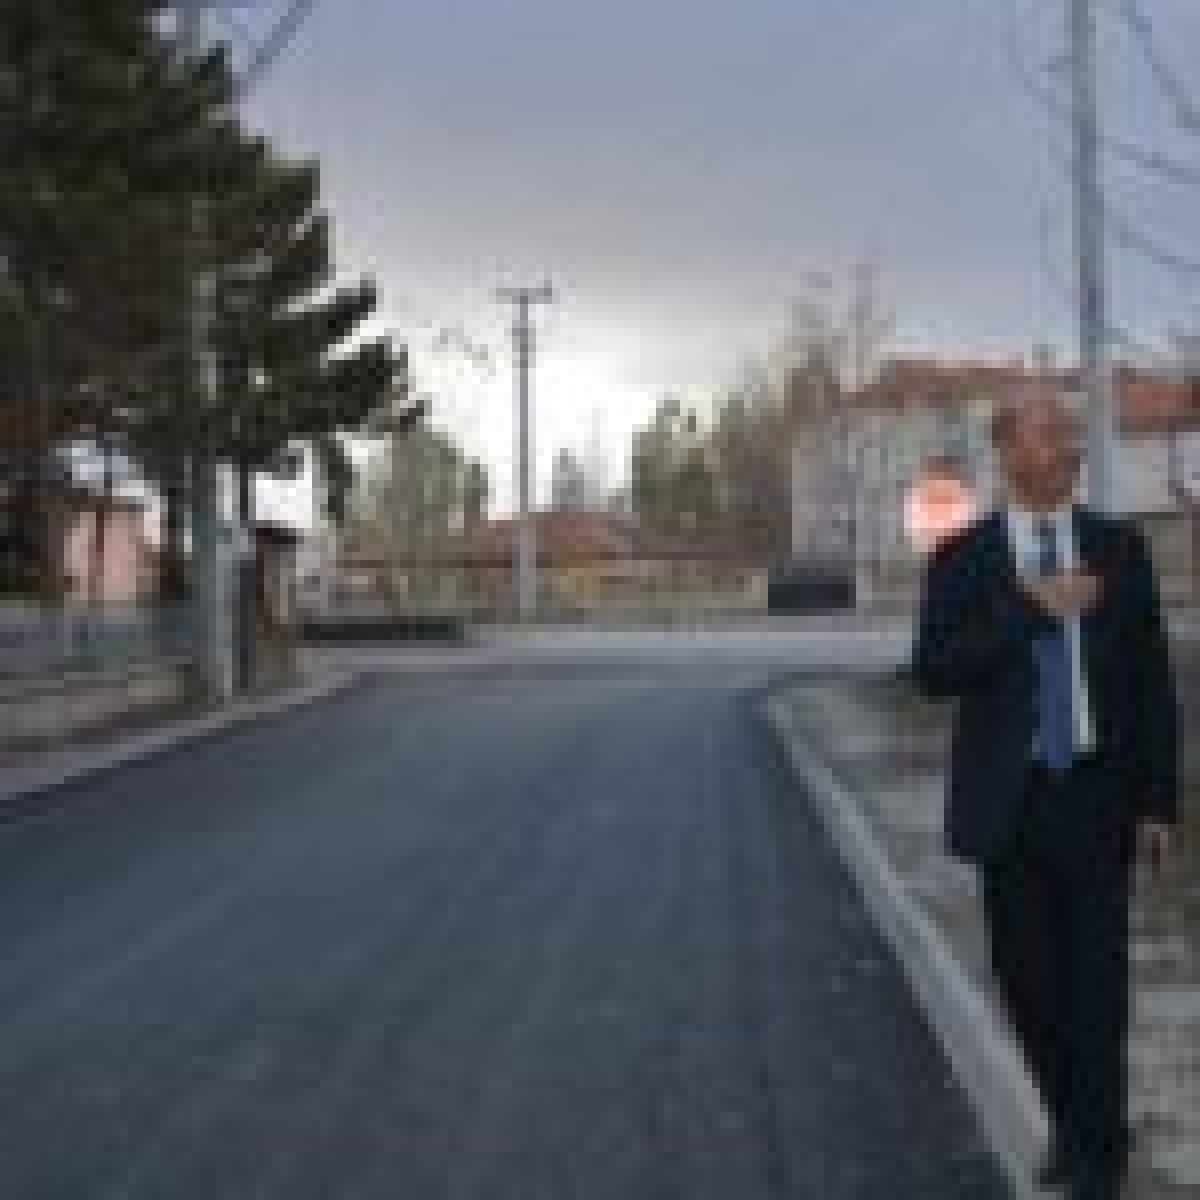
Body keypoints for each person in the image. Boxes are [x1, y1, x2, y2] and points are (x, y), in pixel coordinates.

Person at [911, 386, 1178, 1200]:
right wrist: (1029, 610)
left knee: (1097, 985)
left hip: (1096, 794)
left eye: (1068, 432)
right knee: (1026, 981)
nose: (1069, 445)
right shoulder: (964, 559)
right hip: (1010, 801)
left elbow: (1151, 682)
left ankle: (1101, 1157)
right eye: (1050, 433)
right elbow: (935, 670)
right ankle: (1070, 1120)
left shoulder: (1119, 548)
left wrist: (1158, 802)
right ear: (1008, 453)